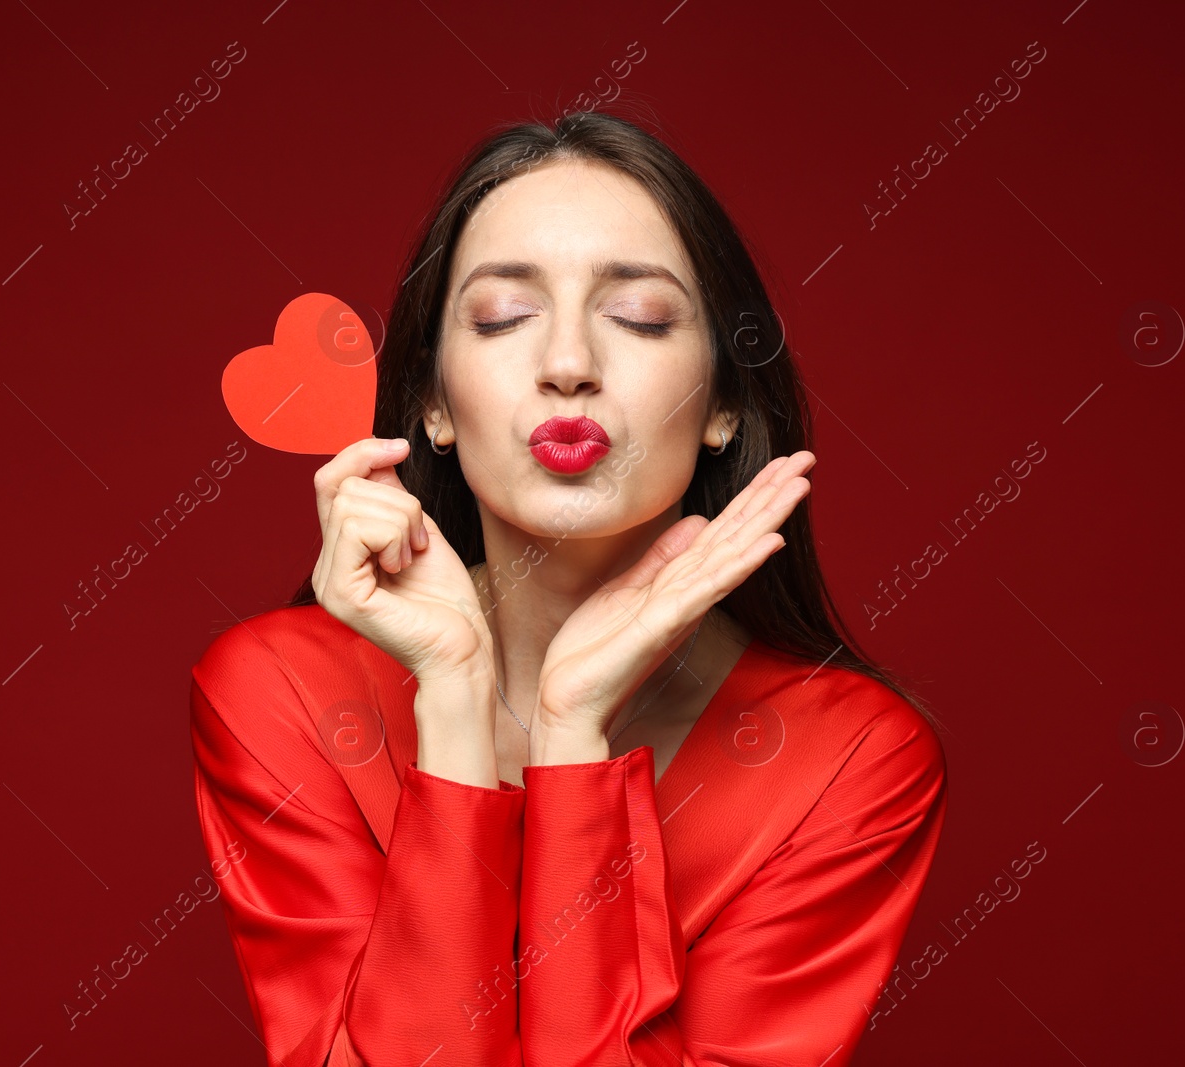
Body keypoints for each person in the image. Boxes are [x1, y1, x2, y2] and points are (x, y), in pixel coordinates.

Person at [190, 110, 948, 1066]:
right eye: (506, 317)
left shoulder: (852, 759)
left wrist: (570, 735)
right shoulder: (279, 693)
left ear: (721, 403)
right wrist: (455, 702)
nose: (567, 367)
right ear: (432, 401)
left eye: (640, 318)